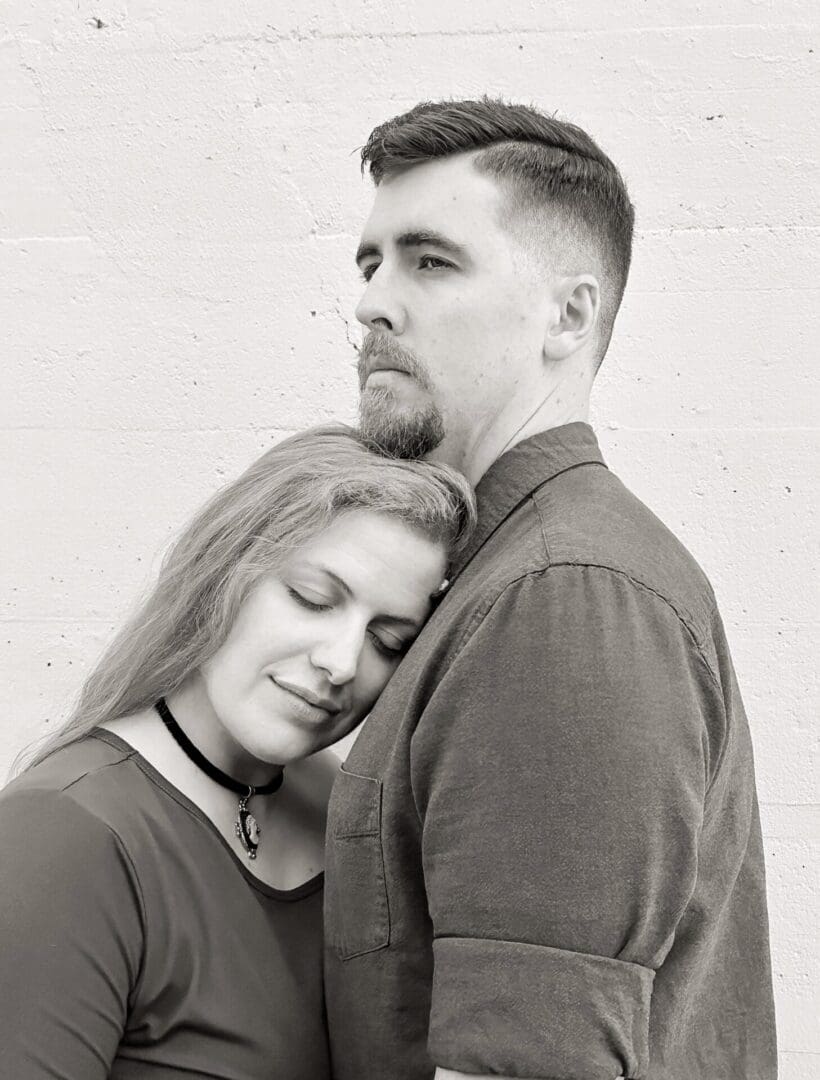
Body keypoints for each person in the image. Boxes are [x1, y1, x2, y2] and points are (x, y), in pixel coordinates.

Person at [324, 99, 777, 1079]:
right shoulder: (501, 577)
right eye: (369, 265)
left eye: (430, 261)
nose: (373, 304)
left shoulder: (564, 598)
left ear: (568, 316)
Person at [0, 424, 474, 1079]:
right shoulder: (64, 836)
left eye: (388, 641)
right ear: (221, 573)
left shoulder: (352, 808)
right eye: (312, 599)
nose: (341, 663)